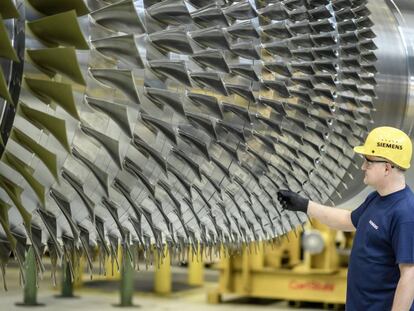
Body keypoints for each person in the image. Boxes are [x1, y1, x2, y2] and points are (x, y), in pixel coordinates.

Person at [277, 126, 414, 311]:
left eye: (368, 161)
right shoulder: (376, 199)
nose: (363, 166)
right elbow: (347, 219)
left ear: (387, 168)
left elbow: (410, 275)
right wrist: (304, 205)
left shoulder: (405, 213)